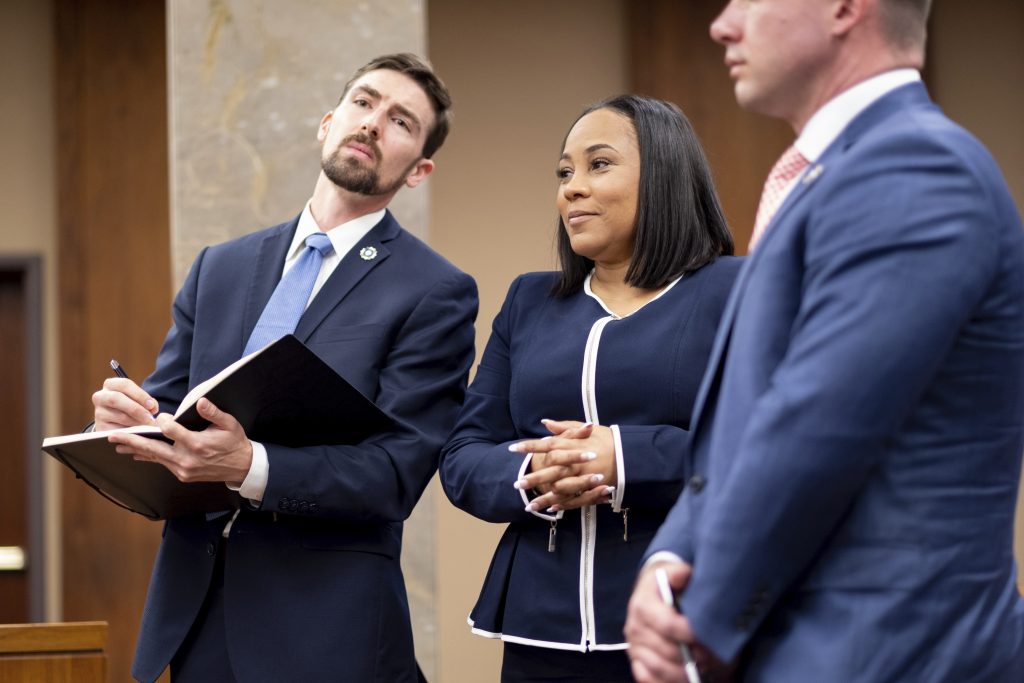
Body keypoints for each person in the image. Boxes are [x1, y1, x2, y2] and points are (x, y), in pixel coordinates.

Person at [624, 1, 1024, 681]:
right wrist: (664, 569)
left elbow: (818, 425)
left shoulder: (917, 166)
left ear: (844, 7)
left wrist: (701, 624)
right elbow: (740, 428)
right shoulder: (824, 173)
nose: (722, 24)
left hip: (889, 653)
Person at [91, 53, 478, 683]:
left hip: (328, 629)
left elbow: (395, 473)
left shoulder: (434, 291)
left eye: (401, 121)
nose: (373, 124)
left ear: (419, 170)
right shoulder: (221, 265)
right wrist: (126, 421)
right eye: (363, 102)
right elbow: (167, 415)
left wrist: (252, 466)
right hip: (198, 615)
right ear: (327, 123)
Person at [440, 94, 740, 683]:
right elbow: (462, 455)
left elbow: (764, 446)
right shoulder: (529, 300)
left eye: (598, 164)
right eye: (564, 172)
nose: (571, 188)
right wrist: (535, 476)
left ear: (665, 175)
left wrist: (624, 458)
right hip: (538, 629)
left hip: (681, 619)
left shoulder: (738, 291)